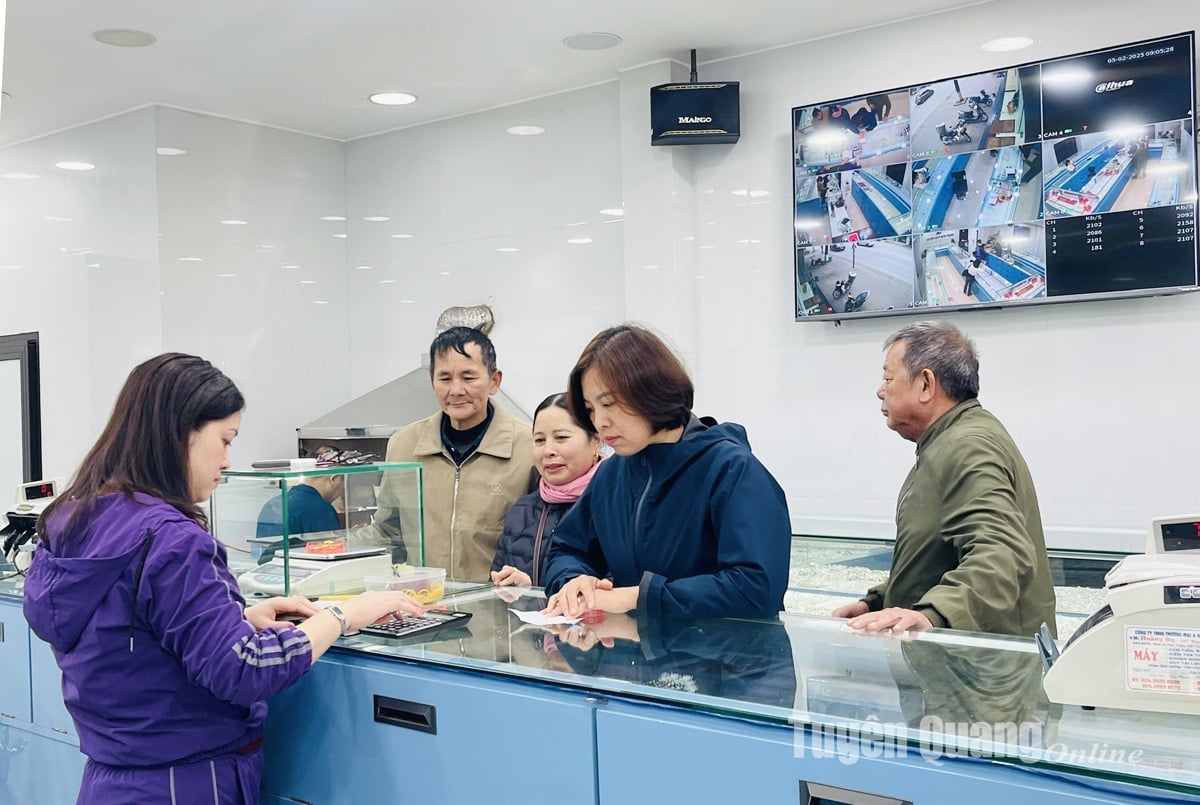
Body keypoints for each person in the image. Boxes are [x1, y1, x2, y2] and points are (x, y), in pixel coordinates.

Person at [22, 353, 423, 804]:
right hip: (185, 784)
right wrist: (342, 614)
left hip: (111, 782)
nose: (229, 461)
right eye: (225, 439)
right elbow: (243, 669)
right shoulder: (172, 539)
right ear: (180, 435)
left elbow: (126, 630)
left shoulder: (74, 519)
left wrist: (234, 618)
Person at [541, 324, 791, 620]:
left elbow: (757, 588)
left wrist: (641, 597)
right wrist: (574, 581)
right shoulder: (611, 474)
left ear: (650, 390)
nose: (600, 421)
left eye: (608, 404)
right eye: (590, 408)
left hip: (728, 660)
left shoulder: (731, 469)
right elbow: (567, 549)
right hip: (635, 655)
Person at [832, 322, 1056, 636]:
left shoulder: (968, 446)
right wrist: (880, 602)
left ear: (925, 384)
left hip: (982, 675)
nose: (880, 391)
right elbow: (940, 556)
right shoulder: (949, 442)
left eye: (888, 378)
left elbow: (1002, 555)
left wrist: (934, 613)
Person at [371, 326, 535, 580]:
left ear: (494, 381)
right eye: (445, 378)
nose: (456, 390)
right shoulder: (404, 445)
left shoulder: (529, 447)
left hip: (501, 609)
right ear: (433, 382)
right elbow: (388, 532)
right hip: (424, 606)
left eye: (468, 377)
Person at [490, 392, 602, 588]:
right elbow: (496, 593)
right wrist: (520, 589)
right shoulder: (522, 510)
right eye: (539, 440)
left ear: (596, 442)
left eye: (561, 437)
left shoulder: (615, 506)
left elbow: (623, 589)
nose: (548, 450)